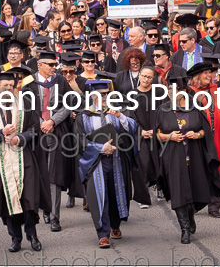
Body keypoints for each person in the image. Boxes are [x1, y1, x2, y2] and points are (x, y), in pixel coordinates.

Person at [0, 67, 50, 253]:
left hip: (24, 158)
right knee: (8, 201)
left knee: (29, 198)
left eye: (11, 86)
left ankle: (32, 234)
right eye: (5, 86)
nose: (8, 89)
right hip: (1, 161)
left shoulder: (25, 105)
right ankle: (15, 238)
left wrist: (22, 137)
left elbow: (35, 129)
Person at [155, 75, 220, 244]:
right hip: (173, 157)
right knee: (178, 192)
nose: (172, 94)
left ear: (184, 91)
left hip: (195, 155)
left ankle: (190, 215)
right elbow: (157, 134)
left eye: (175, 90)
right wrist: (169, 136)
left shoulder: (196, 107)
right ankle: (184, 228)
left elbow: (206, 131)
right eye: (170, 91)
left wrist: (197, 134)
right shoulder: (163, 109)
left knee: (195, 190)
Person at [75, 79, 138, 249]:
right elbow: (79, 140)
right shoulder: (84, 116)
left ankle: (115, 225)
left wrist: (121, 116)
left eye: (106, 94)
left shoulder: (116, 111)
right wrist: (101, 148)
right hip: (96, 161)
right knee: (100, 197)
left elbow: (132, 128)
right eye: (100, 94)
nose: (104, 97)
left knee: (116, 192)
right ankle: (102, 234)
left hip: (117, 160)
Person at [26, 50, 79, 232]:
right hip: (35, 132)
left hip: (57, 131)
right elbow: (27, 106)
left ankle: (55, 217)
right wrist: (42, 123)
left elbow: (68, 104)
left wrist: (52, 121)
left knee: (55, 175)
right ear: (40, 64)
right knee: (40, 174)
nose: (54, 68)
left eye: (55, 65)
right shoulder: (29, 82)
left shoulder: (61, 81)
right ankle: (45, 209)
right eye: (51, 65)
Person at [187, 62, 220, 218]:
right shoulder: (190, 93)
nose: (209, 76)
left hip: (216, 136)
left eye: (210, 73)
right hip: (199, 137)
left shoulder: (214, 90)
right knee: (198, 170)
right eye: (205, 73)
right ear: (197, 76)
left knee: (214, 168)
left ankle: (214, 206)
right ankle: (196, 203)